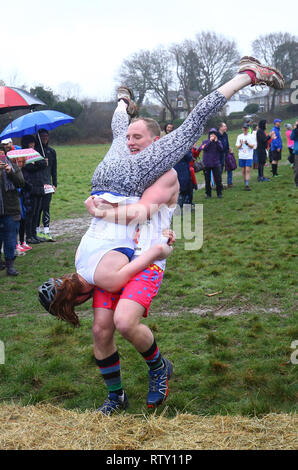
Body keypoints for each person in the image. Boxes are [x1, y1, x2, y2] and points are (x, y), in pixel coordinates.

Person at [40, 56, 285, 414]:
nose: (132, 142)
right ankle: (116, 397)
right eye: (129, 138)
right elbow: (117, 134)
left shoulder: (164, 171)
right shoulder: (124, 156)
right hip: (117, 258)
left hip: (147, 259)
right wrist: (122, 103)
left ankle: (158, 368)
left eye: (138, 137)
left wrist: (101, 210)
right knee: (101, 331)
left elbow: (140, 212)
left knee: (125, 322)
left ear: (156, 139)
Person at [0, 144, 25, 275]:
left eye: (2, 154)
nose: (1, 157)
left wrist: (10, 173)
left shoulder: (13, 166)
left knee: (10, 239)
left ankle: (10, 266)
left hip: (11, 209)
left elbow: (21, 183)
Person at [21, 135, 47, 244]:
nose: (32, 145)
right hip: (30, 186)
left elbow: (42, 164)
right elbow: (28, 168)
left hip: (39, 185)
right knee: (30, 212)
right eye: (30, 143)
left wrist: (38, 163)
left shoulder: (36, 153)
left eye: (33, 143)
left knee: (37, 212)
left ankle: (34, 234)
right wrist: (38, 164)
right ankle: (29, 236)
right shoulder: (23, 155)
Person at [35, 129, 57, 242]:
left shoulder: (51, 152)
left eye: (46, 136)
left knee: (46, 207)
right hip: (37, 184)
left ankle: (47, 231)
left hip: (48, 183)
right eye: (42, 136)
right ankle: (37, 230)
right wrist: (42, 163)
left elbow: (54, 170)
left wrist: (55, 184)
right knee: (38, 208)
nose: (44, 138)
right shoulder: (34, 151)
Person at [199, 128, 223, 198]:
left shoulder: (218, 142)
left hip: (216, 163)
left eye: (214, 134)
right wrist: (210, 141)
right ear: (209, 135)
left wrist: (216, 142)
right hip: (207, 163)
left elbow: (221, 149)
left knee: (218, 179)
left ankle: (219, 193)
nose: (212, 135)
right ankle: (208, 194)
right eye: (211, 134)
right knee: (207, 180)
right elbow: (203, 148)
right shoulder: (205, 141)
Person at [236, 124, 255, 190]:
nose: (245, 129)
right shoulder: (239, 136)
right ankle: (245, 183)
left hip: (249, 156)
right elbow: (237, 147)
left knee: (247, 170)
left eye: (246, 128)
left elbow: (253, 146)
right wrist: (241, 144)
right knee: (243, 171)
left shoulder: (251, 136)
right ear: (242, 129)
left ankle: (247, 185)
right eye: (244, 128)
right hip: (241, 156)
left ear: (248, 129)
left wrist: (247, 144)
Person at [290, 121, 298, 187]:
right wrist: (295, 129)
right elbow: (291, 137)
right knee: (297, 168)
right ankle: (296, 182)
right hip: (297, 152)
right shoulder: (295, 132)